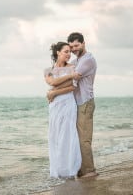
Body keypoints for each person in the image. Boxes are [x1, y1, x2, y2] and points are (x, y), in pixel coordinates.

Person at [47, 32, 98, 178]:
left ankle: (89, 171)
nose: (74, 49)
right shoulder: (76, 61)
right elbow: (61, 76)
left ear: (83, 43)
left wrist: (54, 92)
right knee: (75, 137)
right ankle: (78, 168)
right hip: (76, 103)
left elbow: (72, 82)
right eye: (71, 47)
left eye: (76, 46)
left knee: (83, 138)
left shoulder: (87, 60)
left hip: (85, 102)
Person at [44, 42, 82, 178]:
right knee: (55, 135)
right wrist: (71, 76)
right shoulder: (48, 70)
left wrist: (54, 92)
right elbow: (52, 83)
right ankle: (58, 170)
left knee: (68, 134)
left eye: (69, 52)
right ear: (58, 52)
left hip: (68, 103)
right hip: (55, 106)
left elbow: (73, 87)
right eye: (66, 51)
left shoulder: (73, 67)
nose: (69, 54)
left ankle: (70, 169)